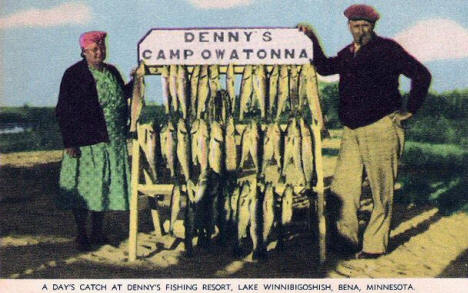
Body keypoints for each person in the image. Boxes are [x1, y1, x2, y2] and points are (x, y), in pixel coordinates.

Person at [298, 4, 431, 259]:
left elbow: (421, 75)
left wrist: (410, 110)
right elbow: (324, 67)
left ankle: (374, 245)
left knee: (381, 190)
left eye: (365, 26)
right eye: (356, 25)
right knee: (343, 189)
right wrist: (311, 38)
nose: (360, 30)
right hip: (351, 130)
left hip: (380, 126)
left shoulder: (388, 49)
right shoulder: (348, 54)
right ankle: (346, 240)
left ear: (372, 27)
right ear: (349, 26)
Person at [56, 31, 141, 251]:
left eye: (102, 48)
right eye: (94, 49)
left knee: (102, 186)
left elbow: (123, 94)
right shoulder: (74, 74)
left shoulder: (111, 71)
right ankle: (82, 234)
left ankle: (97, 232)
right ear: (84, 52)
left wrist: (135, 81)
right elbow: (63, 110)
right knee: (84, 187)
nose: (99, 52)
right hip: (87, 141)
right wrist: (69, 142)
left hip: (112, 140)